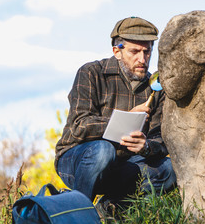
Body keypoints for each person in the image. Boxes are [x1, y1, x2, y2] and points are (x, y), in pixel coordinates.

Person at [54, 17, 176, 205]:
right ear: (117, 51)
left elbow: (162, 138)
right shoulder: (91, 73)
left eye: (147, 51)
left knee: (169, 169)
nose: (142, 59)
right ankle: (78, 211)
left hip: (124, 165)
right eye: (134, 52)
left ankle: (111, 208)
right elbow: (79, 125)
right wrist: (125, 118)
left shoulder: (156, 87)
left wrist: (146, 146)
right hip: (78, 160)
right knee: (103, 151)